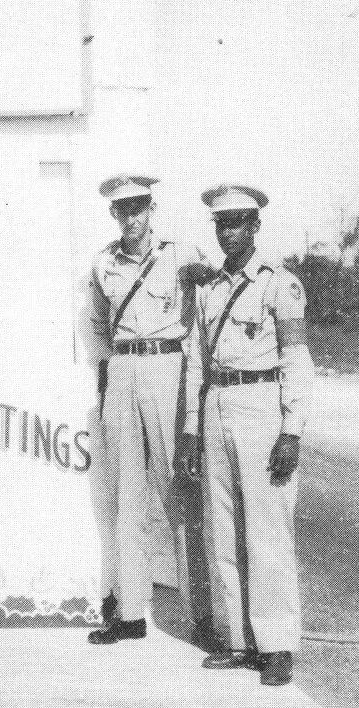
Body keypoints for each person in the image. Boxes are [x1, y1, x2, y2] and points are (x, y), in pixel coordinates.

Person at [174, 185, 313, 686]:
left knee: (268, 531)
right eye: (221, 223)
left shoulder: (280, 284)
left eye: (237, 222)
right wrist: (190, 429)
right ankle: (237, 639)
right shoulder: (208, 289)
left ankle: (275, 643)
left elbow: (297, 360)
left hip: (261, 403)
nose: (227, 231)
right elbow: (195, 364)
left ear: (255, 226)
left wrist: (291, 429)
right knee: (222, 527)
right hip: (216, 403)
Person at [87, 174, 217, 647]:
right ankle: (129, 612)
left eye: (139, 207)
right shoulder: (104, 262)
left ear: (151, 208)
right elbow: (99, 328)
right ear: (114, 214)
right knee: (127, 497)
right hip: (123, 368)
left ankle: (204, 619)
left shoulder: (181, 254)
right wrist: (106, 388)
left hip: (168, 366)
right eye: (123, 209)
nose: (132, 217)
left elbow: (207, 312)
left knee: (180, 490)